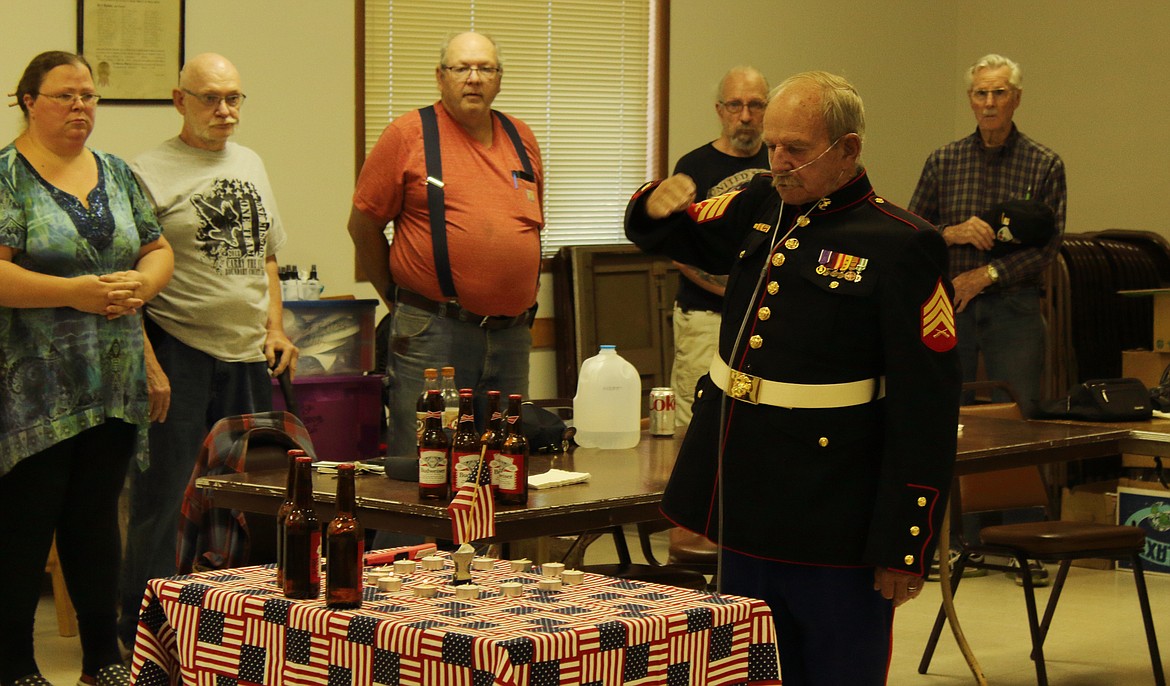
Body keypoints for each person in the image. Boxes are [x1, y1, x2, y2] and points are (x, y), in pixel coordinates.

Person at [625, 71, 961, 685]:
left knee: (835, 669)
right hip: (744, 490)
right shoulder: (761, 201)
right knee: (750, 669)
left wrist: (905, 543)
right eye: (773, 145)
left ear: (849, 149)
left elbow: (926, 409)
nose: (778, 161)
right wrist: (655, 201)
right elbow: (676, 231)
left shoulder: (903, 245)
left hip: (835, 506)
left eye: (797, 149)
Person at [0, 51, 173, 686]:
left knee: (96, 518)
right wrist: (73, 292)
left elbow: (157, 246)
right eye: (65, 95)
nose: (80, 107)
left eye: (89, 96)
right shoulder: (7, 177)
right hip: (33, 386)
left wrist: (143, 286)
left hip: (113, 378)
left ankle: (104, 657)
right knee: (25, 521)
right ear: (28, 101)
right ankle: (15, 662)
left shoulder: (118, 173)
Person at [118, 53, 297, 649]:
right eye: (210, 98)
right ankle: (146, 628)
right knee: (167, 496)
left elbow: (268, 257)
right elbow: (130, 278)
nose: (224, 111)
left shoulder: (250, 162)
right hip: (180, 350)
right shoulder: (145, 172)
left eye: (234, 98)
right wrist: (147, 362)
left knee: (247, 496)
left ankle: (229, 627)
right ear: (179, 100)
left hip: (246, 355)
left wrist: (275, 328)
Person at [347, 31, 543, 460]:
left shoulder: (521, 137)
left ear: (499, 78)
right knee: (424, 469)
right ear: (440, 77)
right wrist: (400, 300)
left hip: (511, 336)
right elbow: (362, 225)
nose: (473, 79)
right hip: (433, 332)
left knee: (502, 467)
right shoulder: (408, 135)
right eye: (461, 68)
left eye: (485, 69)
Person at [909, 53, 1066, 419]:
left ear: (1017, 98)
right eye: (981, 94)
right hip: (951, 306)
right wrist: (951, 232)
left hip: (1015, 308)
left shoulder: (1044, 164)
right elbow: (912, 234)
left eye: (999, 92)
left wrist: (988, 275)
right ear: (970, 99)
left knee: (1016, 414)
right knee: (945, 412)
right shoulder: (943, 161)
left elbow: (1049, 246)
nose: (990, 103)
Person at [670, 66, 770, 428]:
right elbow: (682, 256)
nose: (745, 116)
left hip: (763, 319)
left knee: (754, 421)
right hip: (705, 320)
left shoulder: (779, 165)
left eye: (756, 105)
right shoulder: (694, 167)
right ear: (719, 110)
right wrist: (736, 287)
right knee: (698, 420)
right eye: (735, 105)